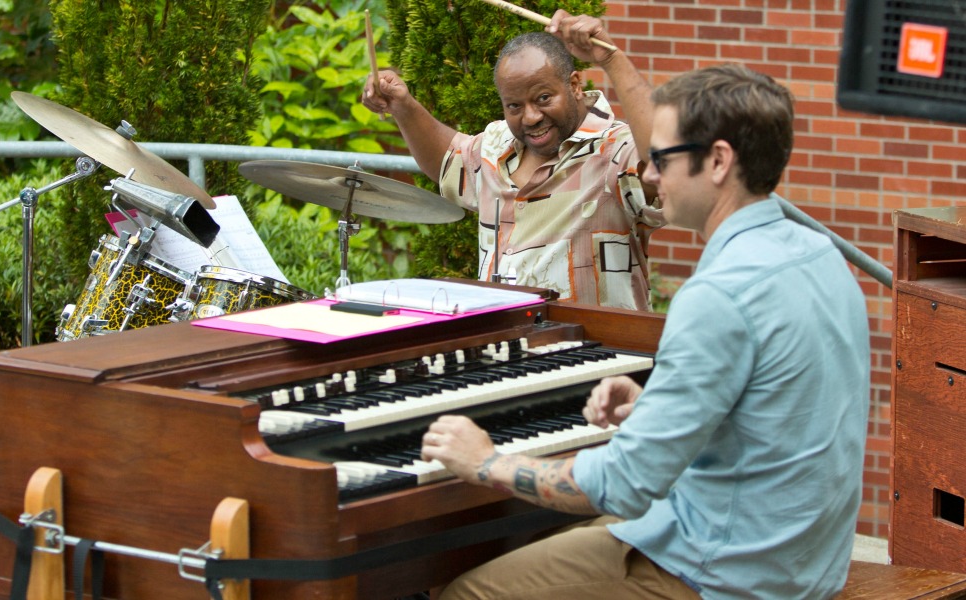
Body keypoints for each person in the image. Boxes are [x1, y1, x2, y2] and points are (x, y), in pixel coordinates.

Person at [419, 63, 871, 599]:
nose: (650, 176)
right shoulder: (819, 255)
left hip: (727, 573)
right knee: (549, 539)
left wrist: (487, 461)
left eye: (662, 158)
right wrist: (656, 404)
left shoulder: (719, 293)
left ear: (719, 161)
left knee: (466, 591)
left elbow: (622, 485)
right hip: (804, 557)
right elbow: (775, 405)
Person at [362, 12, 662, 310]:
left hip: (601, 352)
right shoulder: (496, 143)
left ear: (574, 85)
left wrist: (612, 59)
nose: (531, 117)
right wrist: (403, 106)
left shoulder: (615, 151)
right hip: (509, 348)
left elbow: (664, 161)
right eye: (515, 105)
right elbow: (448, 162)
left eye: (544, 98)